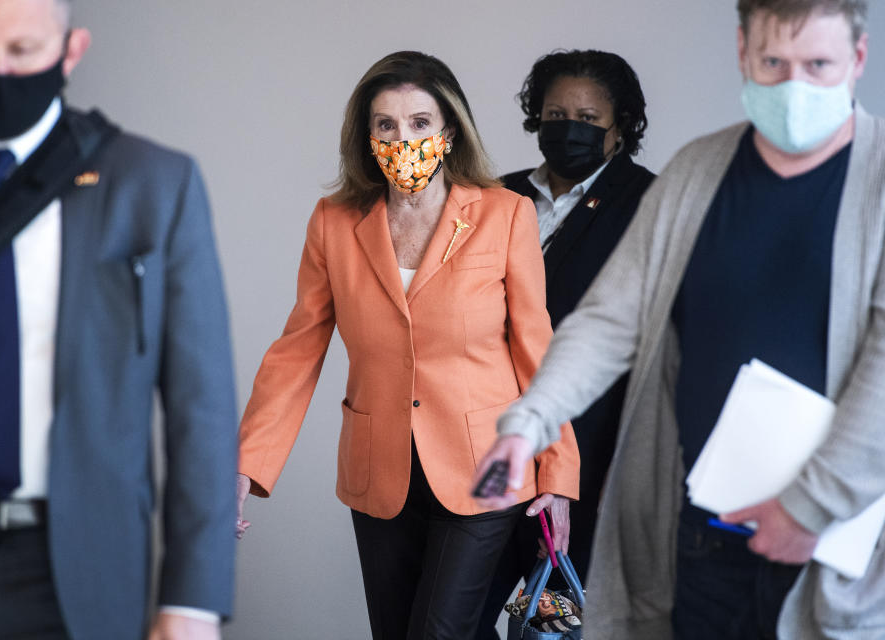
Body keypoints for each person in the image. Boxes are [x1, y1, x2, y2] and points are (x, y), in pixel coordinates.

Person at [475, 1, 885, 638]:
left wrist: (810, 508)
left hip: (828, 541)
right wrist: (532, 420)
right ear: (744, 52)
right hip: (693, 531)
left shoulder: (879, 182)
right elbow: (612, 319)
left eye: (818, 64)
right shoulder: (698, 172)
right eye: (774, 61)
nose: (794, 85)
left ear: (857, 60)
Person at [234, 50, 580, 640]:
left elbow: (536, 350)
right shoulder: (333, 223)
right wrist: (244, 465)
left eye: (421, 122)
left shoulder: (505, 215)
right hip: (379, 471)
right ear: (367, 137)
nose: (404, 138)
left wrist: (559, 473)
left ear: (450, 129)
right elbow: (297, 349)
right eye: (386, 124)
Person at [0, 1, 237, 638]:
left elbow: (199, 409)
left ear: (71, 50)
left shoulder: (154, 184)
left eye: (22, 52)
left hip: (75, 566)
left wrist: (193, 599)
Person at [480, 49, 654, 636]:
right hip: (485, 443)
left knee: (551, 623)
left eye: (587, 116)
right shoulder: (493, 197)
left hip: (587, 456)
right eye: (555, 114)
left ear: (620, 126)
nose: (569, 128)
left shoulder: (648, 204)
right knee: (456, 617)